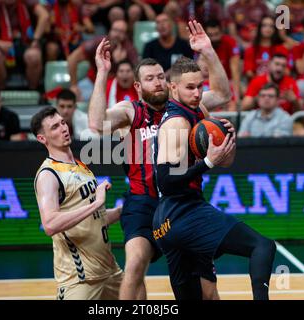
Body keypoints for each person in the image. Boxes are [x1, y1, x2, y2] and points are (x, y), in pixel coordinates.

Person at [88, 20, 232, 300]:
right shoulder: (130, 111)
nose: (158, 82)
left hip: (180, 201)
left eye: (161, 77)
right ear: (139, 86)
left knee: (203, 285)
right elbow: (96, 123)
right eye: (150, 78)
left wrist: (208, 51)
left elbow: (224, 94)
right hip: (142, 202)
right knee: (135, 263)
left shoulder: (187, 107)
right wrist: (103, 72)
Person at [153, 20, 276, 300]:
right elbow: (166, 181)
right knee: (263, 247)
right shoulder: (176, 124)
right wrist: (207, 162)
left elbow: (223, 94)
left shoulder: (197, 107)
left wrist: (208, 51)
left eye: (199, 87)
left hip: (166, 223)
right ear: (173, 89)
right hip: (182, 210)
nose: (197, 93)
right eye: (190, 88)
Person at [31, 106, 123, 300]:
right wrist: (96, 203)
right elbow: (50, 224)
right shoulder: (48, 175)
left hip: (111, 272)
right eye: (55, 127)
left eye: (63, 122)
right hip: (80, 280)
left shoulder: (81, 166)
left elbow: (95, 219)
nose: (63, 128)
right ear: (42, 138)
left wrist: (125, 210)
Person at [67, 19, 138, 101]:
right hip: (93, 82)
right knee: (73, 98)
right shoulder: (98, 43)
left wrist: (120, 62)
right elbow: (72, 58)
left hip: (116, 86)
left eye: (121, 32)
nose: (117, 34)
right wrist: (74, 85)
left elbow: (136, 73)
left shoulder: (129, 49)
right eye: (115, 30)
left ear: (126, 35)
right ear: (110, 30)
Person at [0, 0, 49, 90]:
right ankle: (1, 90)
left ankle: (32, 91)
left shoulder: (27, 2)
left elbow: (44, 15)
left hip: (26, 43)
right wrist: (1, 44)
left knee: (34, 56)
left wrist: (35, 39)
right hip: (4, 46)